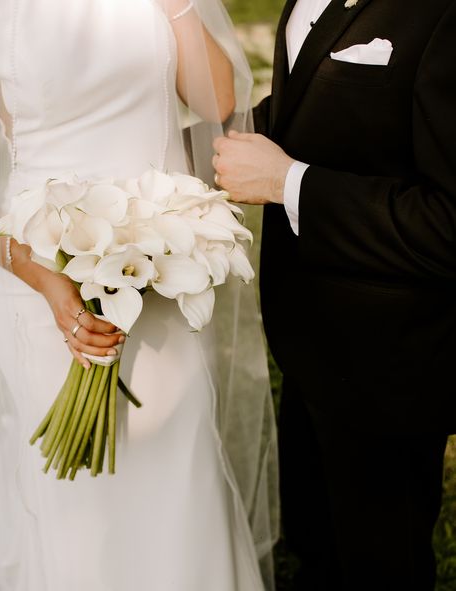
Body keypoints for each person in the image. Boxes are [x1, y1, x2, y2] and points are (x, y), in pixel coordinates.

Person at [0, 1, 279, 590]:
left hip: (163, 265)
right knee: (75, 501)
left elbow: (218, 100)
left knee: (175, 469)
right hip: (37, 278)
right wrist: (44, 279)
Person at [212, 0, 456, 590]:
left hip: (390, 364)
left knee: (379, 564)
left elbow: (448, 224)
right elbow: (320, 113)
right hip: (307, 342)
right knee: (316, 548)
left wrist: (286, 182)